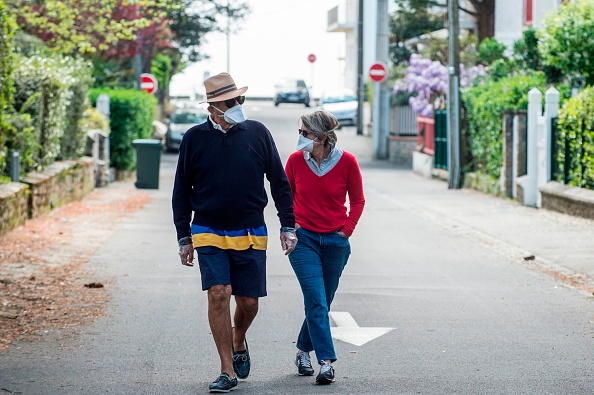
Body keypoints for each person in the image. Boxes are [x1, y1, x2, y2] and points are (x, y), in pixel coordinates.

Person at [172, 72, 297, 393]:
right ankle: (226, 370)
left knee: (249, 302)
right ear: (213, 107)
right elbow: (181, 191)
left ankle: (239, 337)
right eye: (231, 102)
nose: (237, 105)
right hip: (208, 228)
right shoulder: (194, 139)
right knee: (219, 293)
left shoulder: (257, 133)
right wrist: (183, 236)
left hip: (251, 228)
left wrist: (287, 224)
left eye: (238, 100)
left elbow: (279, 182)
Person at [284, 110, 365, 385]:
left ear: (320, 137)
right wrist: (290, 227)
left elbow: (358, 201)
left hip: (335, 242)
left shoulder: (347, 162)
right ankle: (326, 362)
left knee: (322, 302)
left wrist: (346, 232)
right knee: (317, 301)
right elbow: (285, 198)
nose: (301, 137)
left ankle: (302, 350)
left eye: (304, 133)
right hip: (304, 240)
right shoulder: (295, 161)